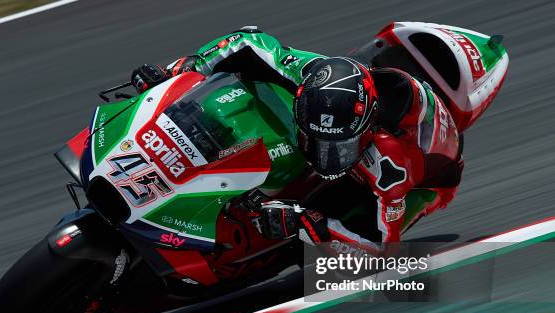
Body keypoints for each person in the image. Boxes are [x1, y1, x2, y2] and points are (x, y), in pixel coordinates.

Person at [130, 26, 463, 252]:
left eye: (338, 148)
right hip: (369, 103)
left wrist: (313, 222)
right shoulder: (309, 71)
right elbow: (248, 40)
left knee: (337, 267)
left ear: (367, 130)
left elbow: (382, 248)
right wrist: (182, 69)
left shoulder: (391, 166)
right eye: (316, 140)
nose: (325, 157)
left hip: (428, 181)